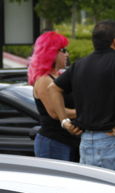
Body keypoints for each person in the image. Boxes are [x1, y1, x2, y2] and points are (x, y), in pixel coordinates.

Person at [48, 20, 115, 174]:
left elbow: (53, 88)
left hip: (86, 142)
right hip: (113, 140)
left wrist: (64, 121)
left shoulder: (79, 64)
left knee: (92, 189)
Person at [29, 31, 80, 161]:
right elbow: (55, 113)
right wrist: (84, 112)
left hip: (68, 140)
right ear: (51, 52)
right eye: (64, 50)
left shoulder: (58, 77)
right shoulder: (44, 80)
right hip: (54, 142)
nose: (67, 54)